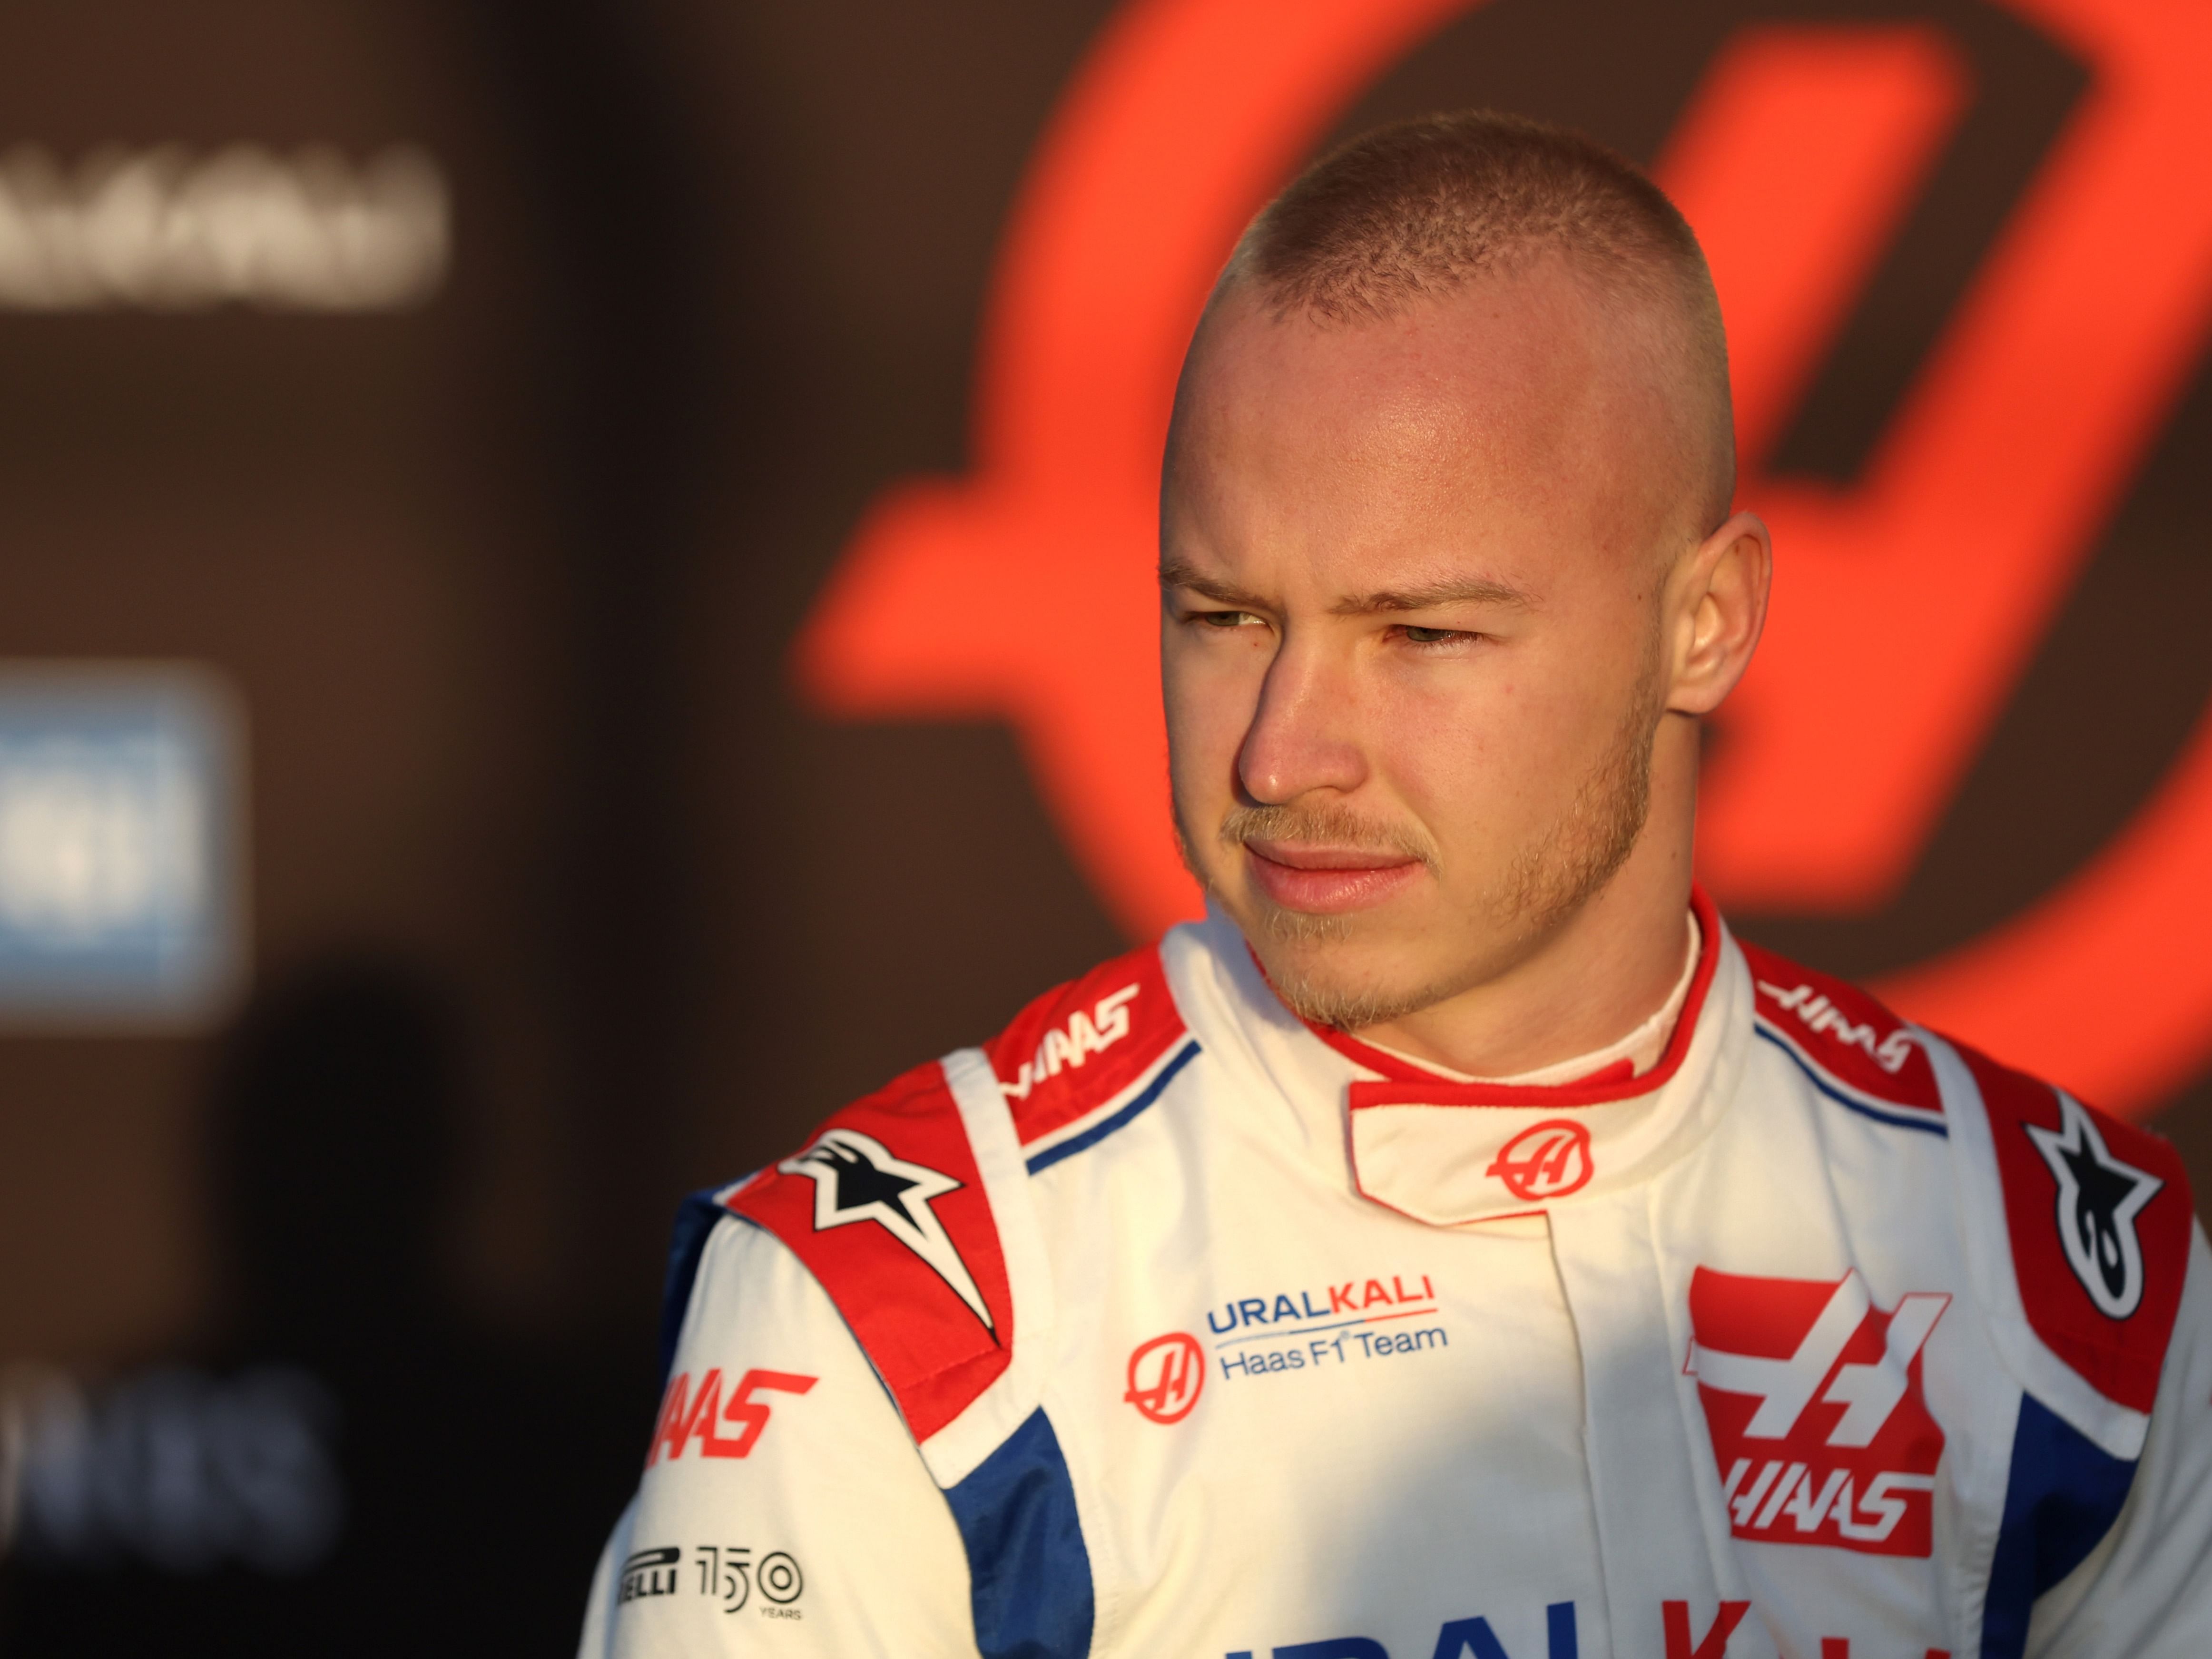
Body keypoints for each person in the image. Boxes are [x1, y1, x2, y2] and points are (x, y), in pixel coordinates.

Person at [578, 113, 2212, 1659]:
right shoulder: (899, 1309)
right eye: (1223, 618)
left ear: (1703, 624)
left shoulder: (2061, 1276)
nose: (1283, 757)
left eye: (1419, 636)